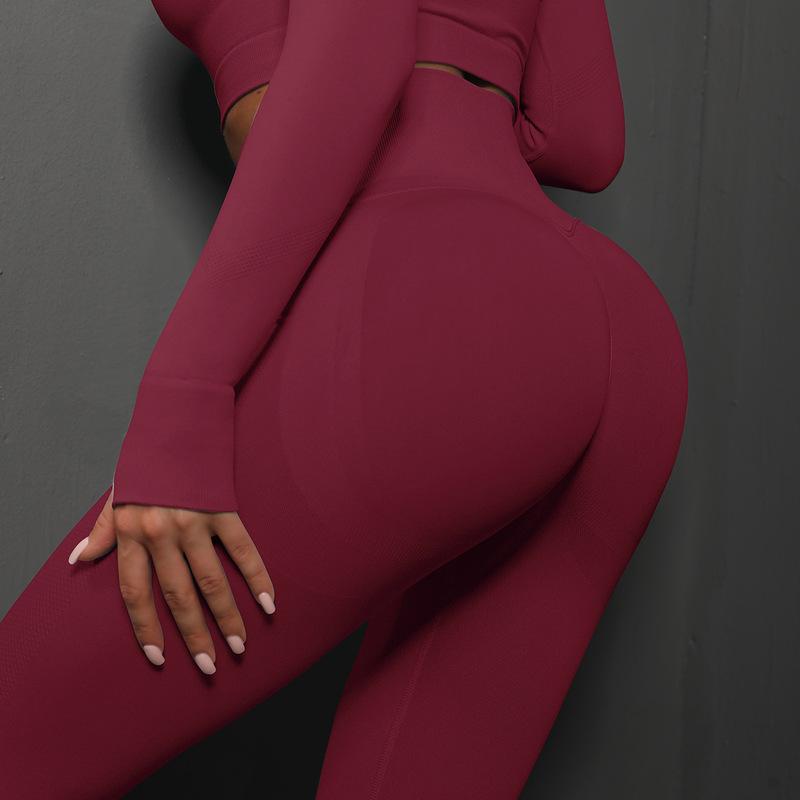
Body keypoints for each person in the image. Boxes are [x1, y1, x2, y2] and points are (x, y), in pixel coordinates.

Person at [0, 0, 688, 797]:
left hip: (434, 313)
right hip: (614, 338)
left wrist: (183, 399)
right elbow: (585, 136)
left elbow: (360, 50)